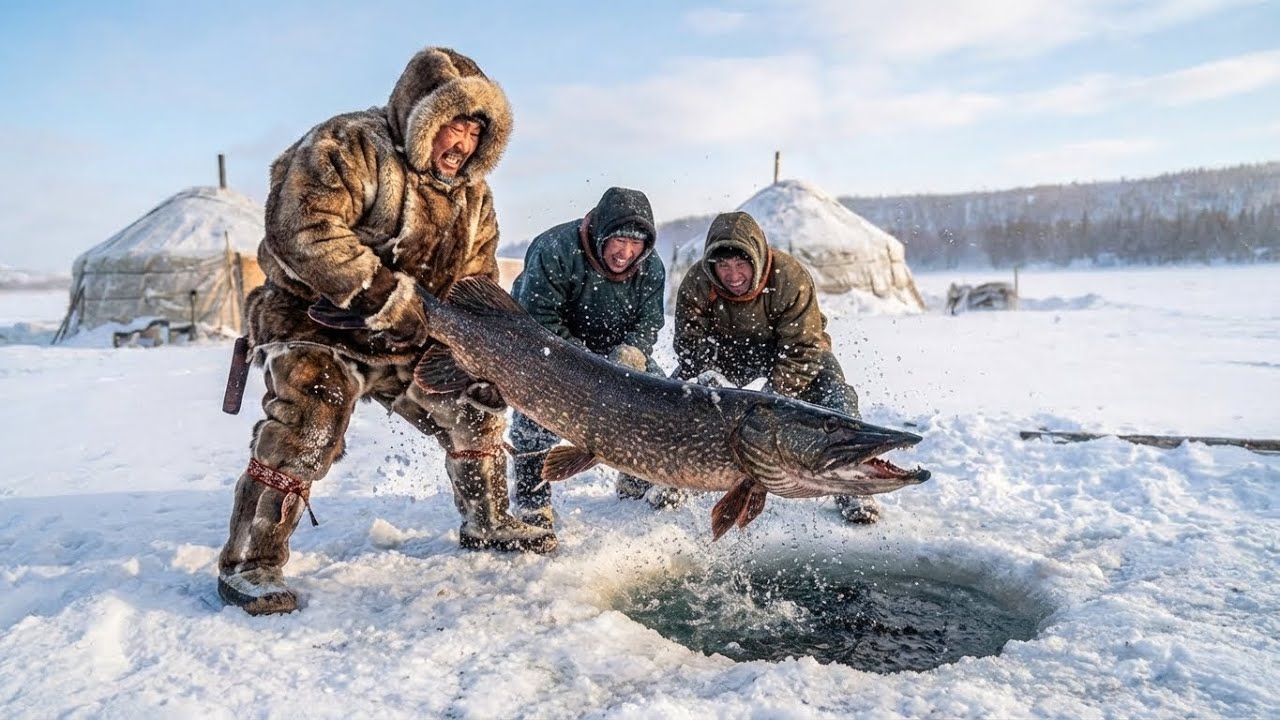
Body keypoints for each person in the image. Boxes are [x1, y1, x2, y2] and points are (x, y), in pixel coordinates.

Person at [217, 47, 555, 616]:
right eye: (453, 125)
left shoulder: (474, 198)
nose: (462, 144)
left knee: (474, 406)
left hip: (414, 334)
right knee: (311, 420)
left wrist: (485, 356)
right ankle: (251, 561)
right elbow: (303, 229)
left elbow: (475, 280)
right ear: (422, 116)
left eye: (476, 132)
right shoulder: (347, 146)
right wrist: (379, 293)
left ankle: (488, 520)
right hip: (317, 321)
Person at [672, 211, 881, 524]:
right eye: (724, 266)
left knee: (836, 395)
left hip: (784, 350)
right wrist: (708, 376)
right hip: (727, 354)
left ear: (756, 259)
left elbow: (805, 349)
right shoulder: (698, 282)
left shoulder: (788, 276)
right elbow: (689, 345)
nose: (733, 275)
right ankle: (670, 476)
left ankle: (851, 482)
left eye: (740, 264)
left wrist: (771, 401)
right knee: (676, 395)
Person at [508, 187, 685, 531]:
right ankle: (532, 498)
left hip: (616, 353)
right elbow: (538, 317)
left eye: (636, 245)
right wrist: (583, 362)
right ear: (601, 232)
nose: (626, 252)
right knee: (537, 414)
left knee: (660, 400)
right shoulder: (555, 250)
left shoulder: (651, 267)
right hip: (549, 350)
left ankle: (637, 476)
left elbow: (649, 321)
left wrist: (631, 352)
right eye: (619, 240)